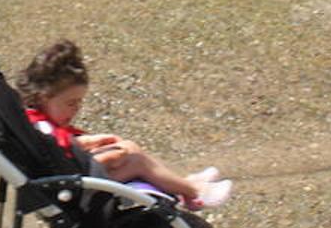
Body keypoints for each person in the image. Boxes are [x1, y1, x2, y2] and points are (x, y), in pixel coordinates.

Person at [15, 40, 232, 211]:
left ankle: (181, 185)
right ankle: (194, 192)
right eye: (71, 103)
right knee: (136, 161)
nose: (76, 109)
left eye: (79, 102)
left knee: (129, 147)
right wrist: (103, 152)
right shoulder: (39, 125)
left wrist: (94, 142)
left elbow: (63, 145)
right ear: (43, 97)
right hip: (70, 188)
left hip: (71, 177)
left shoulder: (35, 119)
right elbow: (59, 152)